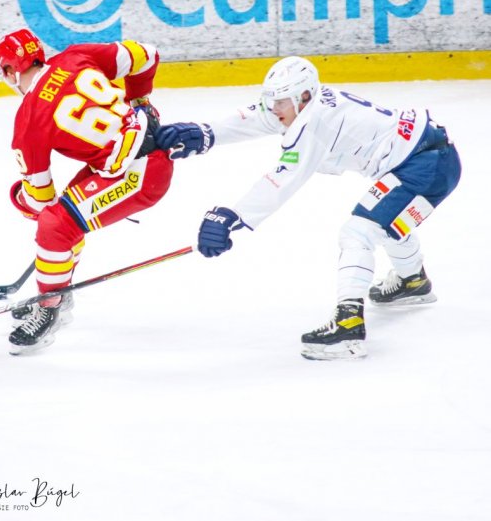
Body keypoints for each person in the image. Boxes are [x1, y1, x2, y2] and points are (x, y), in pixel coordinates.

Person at [155, 56, 461, 360]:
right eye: (271, 100)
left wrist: (233, 217)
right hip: (424, 154)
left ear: (303, 96)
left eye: (280, 102)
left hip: (427, 167)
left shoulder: (315, 123)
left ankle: (348, 326)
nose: (273, 108)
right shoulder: (302, 103)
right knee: (386, 221)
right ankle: (412, 281)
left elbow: (284, 179)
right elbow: (257, 116)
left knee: (359, 233)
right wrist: (206, 132)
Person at [0, 28, 173, 355]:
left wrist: (19, 198)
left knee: (54, 225)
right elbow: (147, 55)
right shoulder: (75, 56)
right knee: (65, 219)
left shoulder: (29, 120)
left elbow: (40, 201)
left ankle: (50, 307)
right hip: (146, 146)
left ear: (9, 70)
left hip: (140, 174)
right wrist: (140, 101)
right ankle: (59, 291)